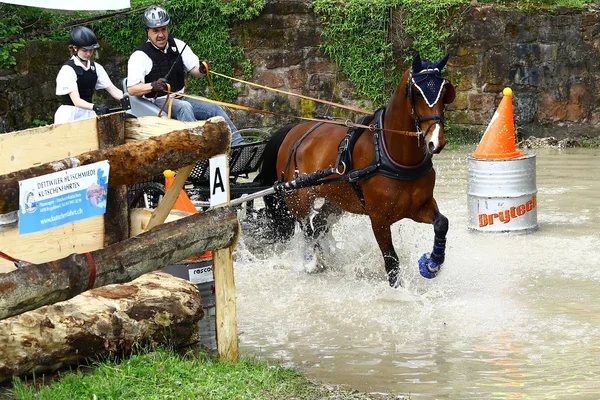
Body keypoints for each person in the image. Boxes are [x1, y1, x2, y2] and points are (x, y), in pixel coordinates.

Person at [126, 5, 244, 145]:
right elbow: (132, 89)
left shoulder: (178, 45)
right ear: (147, 31)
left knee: (213, 108)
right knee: (184, 107)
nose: (161, 34)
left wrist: (201, 69)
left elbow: (194, 70)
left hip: (181, 96)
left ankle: (238, 145)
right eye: (155, 30)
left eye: (163, 29)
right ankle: (199, 151)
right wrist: (152, 86)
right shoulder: (140, 55)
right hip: (157, 101)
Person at [54, 26, 123, 124]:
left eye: (91, 50)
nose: (89, 53)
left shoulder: (96, 68)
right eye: (85, 50)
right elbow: (76, 101)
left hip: (88, 114)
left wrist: (128, 99)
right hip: (70, 116)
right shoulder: (68, 69)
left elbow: (113, 89)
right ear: (75, 48)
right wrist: (95, 107)